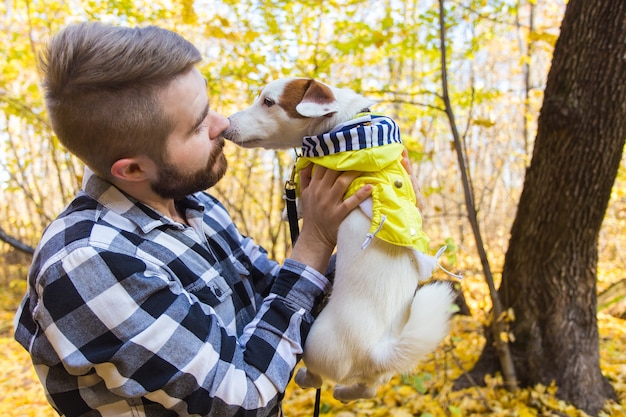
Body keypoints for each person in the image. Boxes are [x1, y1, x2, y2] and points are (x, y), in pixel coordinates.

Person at [14, 22, 373, 417]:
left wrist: (375, 232)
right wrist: (316, 239)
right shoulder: (87, 263)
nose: (222, 124)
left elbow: (277, 298)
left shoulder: (193, 205)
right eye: (198, 123)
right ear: (133, 170)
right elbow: (241, 400)